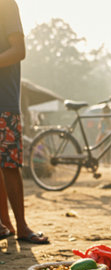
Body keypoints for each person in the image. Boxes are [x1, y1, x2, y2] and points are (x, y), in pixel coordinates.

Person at [0, 0, 49, 244]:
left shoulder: (6, 5)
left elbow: (19, 50)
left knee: (9, 163)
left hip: (4, 100)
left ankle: (21, 226)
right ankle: (4, 224)